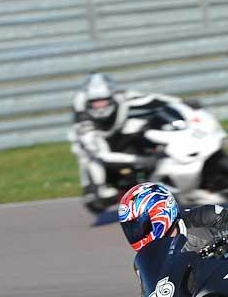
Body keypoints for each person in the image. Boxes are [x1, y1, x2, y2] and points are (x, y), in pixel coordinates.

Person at [68, 72, 203, 213]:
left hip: (119, 132)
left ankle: (164, 167)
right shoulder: (82, 118)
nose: (100, 106)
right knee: (91, 172)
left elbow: (150, 99)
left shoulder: (122, 96)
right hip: (98, 141)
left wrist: (181, 102)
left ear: (112, 97)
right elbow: (102, 155)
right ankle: (93, 188)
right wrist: (140, 160)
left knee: (144, 125)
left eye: (104, 101)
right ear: (88, 103)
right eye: (95, 103)